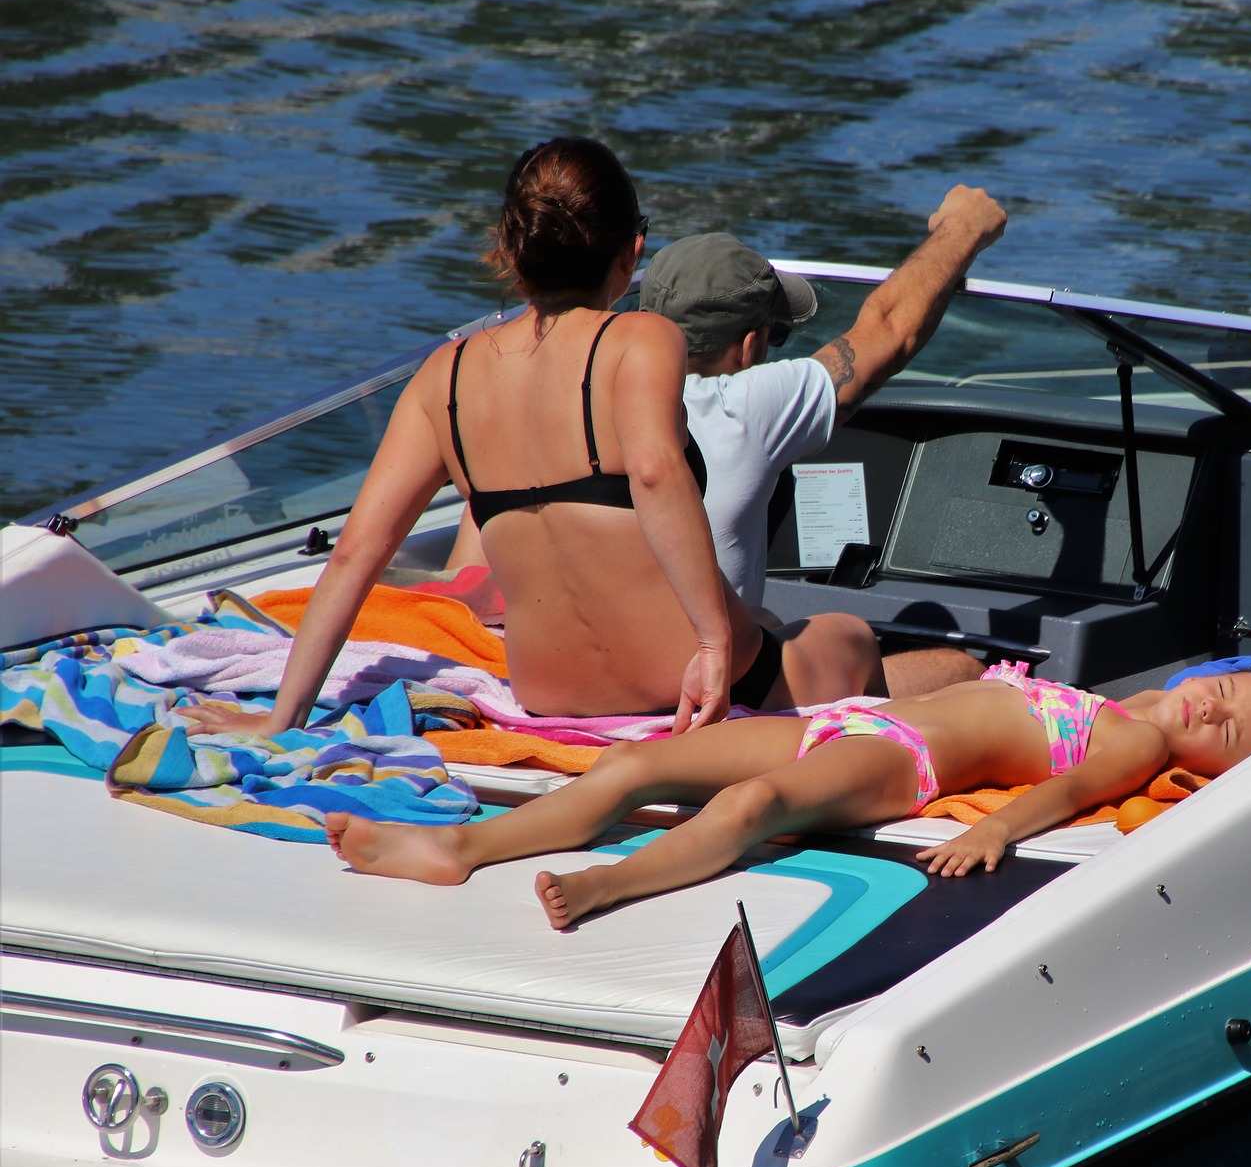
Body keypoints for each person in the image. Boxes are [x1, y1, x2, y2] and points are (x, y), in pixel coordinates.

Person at [183, 137, 880, 741]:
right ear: (630, 253)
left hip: (552, 692)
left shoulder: (445, 377)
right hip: (680, 681)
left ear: (511, 252)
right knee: (848, 636)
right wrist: (712, 641)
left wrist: (283, 716)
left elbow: (354, 557)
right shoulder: (643, 338)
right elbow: (655, 472)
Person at [446, 186, 1008, 694]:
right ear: (749, 346)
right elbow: (889, 330)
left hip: (556, 680)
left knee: (768, 627)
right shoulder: (745, 405)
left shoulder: (553, 403)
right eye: (774, 336)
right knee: (964, 674)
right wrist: (961, 228)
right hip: (699, 683)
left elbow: (464, 577)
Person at [325, 662, 1251, 927]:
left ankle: (605, 885)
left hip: (900, 762)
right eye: (1227, 690)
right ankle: (458, 849)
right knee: (633, 765)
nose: (1212, 710)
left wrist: (997, 832)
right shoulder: (1138, 701)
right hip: (856, 718)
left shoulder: (1137, 739)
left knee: (755, 802)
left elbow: (1068, 789)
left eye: (1230, 731)